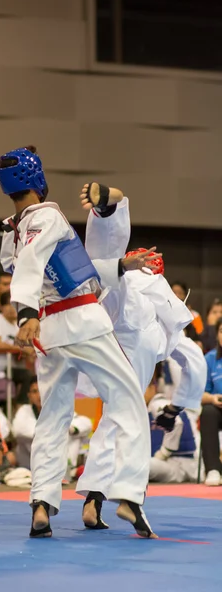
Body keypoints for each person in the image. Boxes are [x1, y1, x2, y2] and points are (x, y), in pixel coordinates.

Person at [0, 145, 158, 539]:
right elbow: (38, 263)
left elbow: (63, 270)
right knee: (128, 402)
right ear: (38, 179)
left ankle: (41, 505)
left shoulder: (10, 232)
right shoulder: (49, 215)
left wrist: (121, 265)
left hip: (50, 332)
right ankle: (128, 495)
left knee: (52, 418)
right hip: (82, 320)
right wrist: (24, 314)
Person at [78, 192, 206, 522]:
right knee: (129, 425)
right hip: (131, 357)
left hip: (107, 353)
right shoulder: (159, 292)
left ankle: (94, 499)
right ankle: (130, 499)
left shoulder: (127, 287)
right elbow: (194, 360)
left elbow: (106, 267)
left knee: (112, 422)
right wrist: (177, 407)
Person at [12, 376, 92, 471]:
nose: (39, 395)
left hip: (59, 460)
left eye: (42, 390)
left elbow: (87, 424)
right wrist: (52, 431)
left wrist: (70, 429)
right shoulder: (25, 410)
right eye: (34, 391)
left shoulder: (59, 409)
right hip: (32, 463)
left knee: (71, 433)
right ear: (29, 396)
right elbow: (18, 430)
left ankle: (67, 469)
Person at [147, 364, 201, 484]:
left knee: (140, 465)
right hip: (174, 465)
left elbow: (177, 421)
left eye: (143, 389)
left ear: (153, 388)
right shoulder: (145, 410)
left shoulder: (157, 404)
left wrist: (164, 452)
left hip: (179, 464)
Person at [0, 291, 33, 404]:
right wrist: (20, 349)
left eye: (15, 305)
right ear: (1, 307)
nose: (11, 308)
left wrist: (26, 353)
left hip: (14, 367)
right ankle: (20, 407)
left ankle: (20, 408)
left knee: (34, 377)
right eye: (8, 304)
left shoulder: (19, 325)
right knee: (27, 376)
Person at [200, 317, 222, 486]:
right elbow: (200, 393)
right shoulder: (210, 359)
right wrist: (212, 398)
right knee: (207, 412)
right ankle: (213, 469)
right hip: (218, 408)